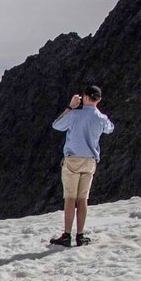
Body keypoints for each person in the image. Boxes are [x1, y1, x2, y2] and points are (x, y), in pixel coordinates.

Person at [49, 85, 113, 246]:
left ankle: (66, 234)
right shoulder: (101, 118)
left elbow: (57, 125)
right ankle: (80, 235)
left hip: (73, 160)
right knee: (83, 199)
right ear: (98, 99)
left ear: (84, 97)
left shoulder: (75, 115)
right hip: (90, 160)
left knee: (70, 198)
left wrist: (70, 107)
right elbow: (110, 129)